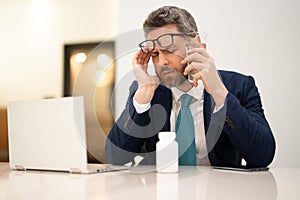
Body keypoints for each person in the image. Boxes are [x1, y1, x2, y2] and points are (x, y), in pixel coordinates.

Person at [105, 5, 276, 168]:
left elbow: (262, 156)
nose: (162, 62)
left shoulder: (239, 86)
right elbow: (115, 157)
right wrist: (143, 95)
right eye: (155, 54)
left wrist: (218, 91)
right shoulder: (146, 90)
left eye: (170, 50)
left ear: (196, 45)